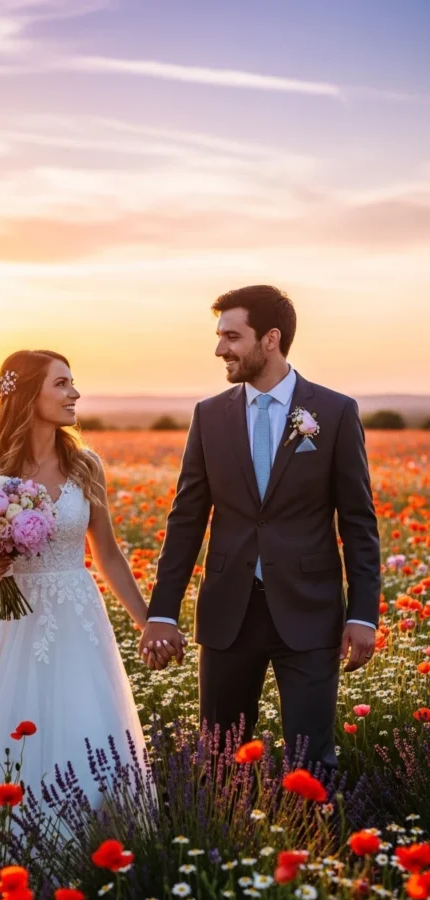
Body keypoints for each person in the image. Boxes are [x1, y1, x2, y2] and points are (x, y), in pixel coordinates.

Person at [139, 285, 381, 772]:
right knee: (219, 760)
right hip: (229, 612)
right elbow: (186, 518)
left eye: (232, 336)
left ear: (270, 339)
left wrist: (363, 614)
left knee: (312, 761)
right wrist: (162, 612)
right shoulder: (209, 416)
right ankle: (222, 846)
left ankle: (316, 847)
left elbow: (358, 522)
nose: (219, 349)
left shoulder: (334, 413)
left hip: (310, 614)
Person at [0, 349, 153, 814]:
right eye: (62, 384)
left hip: (75, 617)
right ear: (29, 394)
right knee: (6, 725)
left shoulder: (87, 466)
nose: (75, 393)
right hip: (8, 620)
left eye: (73, 382)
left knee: (81, 721)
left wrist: (148, 623)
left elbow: (106, 552)